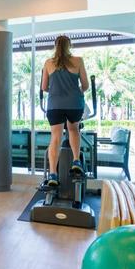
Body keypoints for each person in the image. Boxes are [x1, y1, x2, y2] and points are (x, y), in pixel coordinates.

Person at [41, 35, 89, 187]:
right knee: (74, 130)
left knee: (55, 137)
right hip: (74, 103)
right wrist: (76, 91)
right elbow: (85, 85)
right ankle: (76, 161)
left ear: (55, 46)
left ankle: (53, 174)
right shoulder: (78, 60)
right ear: (70, 46)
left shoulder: (48, 63)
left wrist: (56, 91)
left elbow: (44, 87)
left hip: (54, 104)